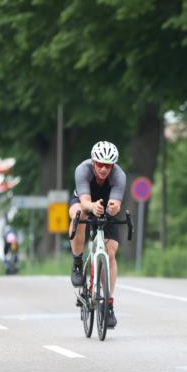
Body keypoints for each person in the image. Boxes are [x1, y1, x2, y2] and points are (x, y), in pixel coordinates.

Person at [68, 140, 126, 329]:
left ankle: (108, 305)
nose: (103, 169)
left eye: (108, 165)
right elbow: (85, 202)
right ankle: (77, 262)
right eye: (100, 164)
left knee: (110, 252)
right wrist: (92, 206)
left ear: (113, 165)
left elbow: (116, 205)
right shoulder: (82, 170)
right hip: (84, 202)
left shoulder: (119, 176)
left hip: (106, 207)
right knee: (79, 214)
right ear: (93, 162)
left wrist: (113, 208)